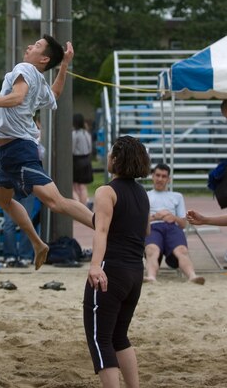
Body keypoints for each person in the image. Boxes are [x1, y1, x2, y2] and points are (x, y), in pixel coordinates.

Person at [0, 35, 94, 270]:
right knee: (2, 200)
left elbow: (17, 97)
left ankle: (103, 226)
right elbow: (56, 94)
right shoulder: (37, 78)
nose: (30, 46)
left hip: (20, 149)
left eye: (37, 45)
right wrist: (65, 65)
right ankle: (38, 244)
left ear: (44, 58)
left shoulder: (25, 69)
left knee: (55, 201)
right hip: (9, 152)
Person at [83, 135, 150, 388]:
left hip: (111, 271)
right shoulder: (142, 194)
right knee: (119, 337)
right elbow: (144, 230)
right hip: (135, 273)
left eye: (112, 153)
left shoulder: (105, 191)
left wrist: (94, 265)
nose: (108, 156)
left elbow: (101, 231)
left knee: (100, 340)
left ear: (117, 159)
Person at [143, 163, 205, 284]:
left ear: (168, 179)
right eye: (158, 175)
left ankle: (192, 276)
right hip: (153, 226)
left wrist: (173, 217)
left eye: (164, 176)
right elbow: (139, 222)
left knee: (181, 250)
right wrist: (155, 216)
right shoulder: (145, 195)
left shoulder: (177, 196)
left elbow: (183, 224)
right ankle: (151, 277)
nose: (160, 179)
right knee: (151, 249)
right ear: (152, 176)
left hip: (172, 227)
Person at [0, 136, 34, 266]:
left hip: (23, 178)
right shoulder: (6, 132)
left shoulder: (26, 132)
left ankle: (23, 255)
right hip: (11, 178)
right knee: (11, 222)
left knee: (24, 221)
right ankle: (12, 255)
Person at [72, 113, 93, 206]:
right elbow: (90, 148)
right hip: (86, 160)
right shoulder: (86, 134)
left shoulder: (74, 134)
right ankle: (84, 206)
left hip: (76, 161)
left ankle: (78, 207)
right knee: (83, 186)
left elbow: (71, 149)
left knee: (75, 186)